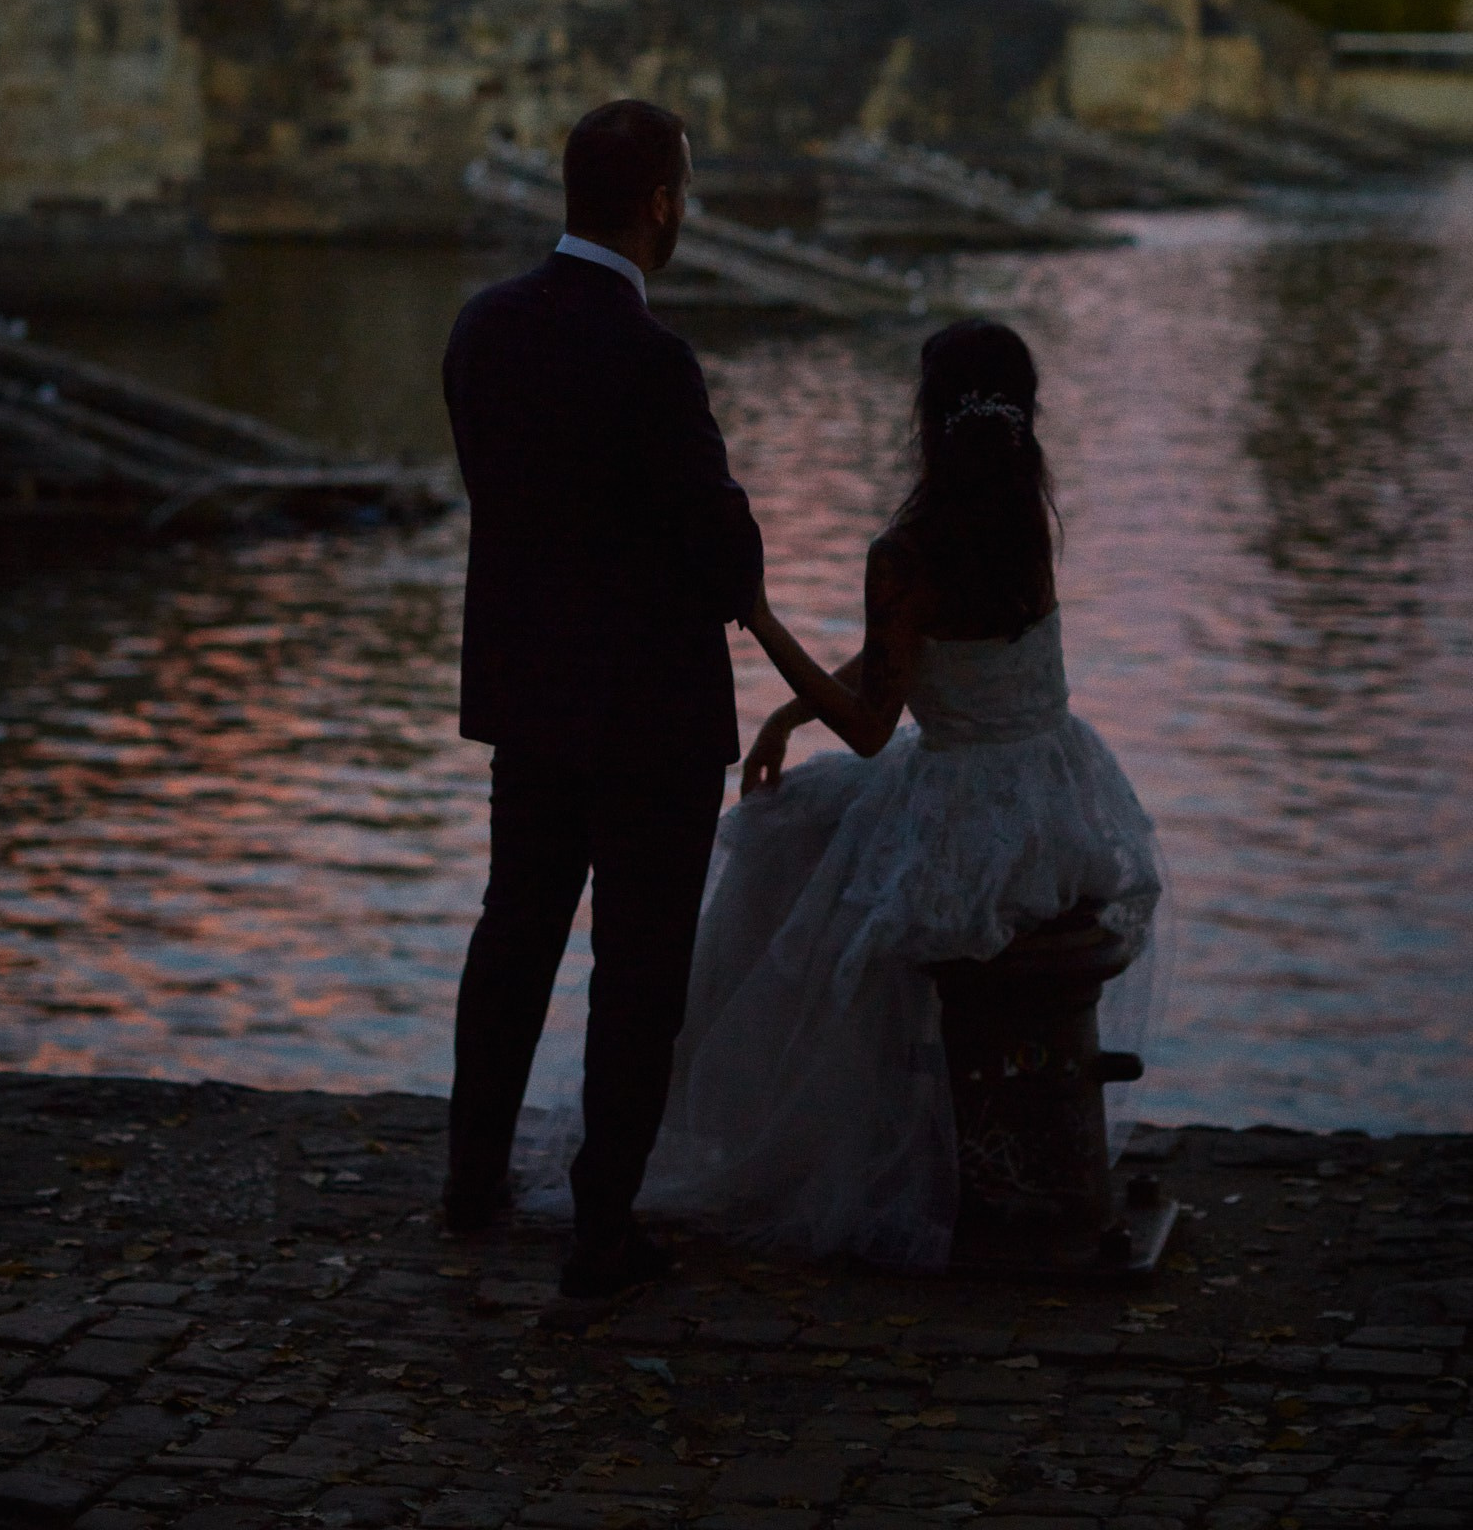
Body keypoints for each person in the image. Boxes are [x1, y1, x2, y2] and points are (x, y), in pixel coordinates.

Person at [644, 316, 1162, 1271]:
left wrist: (757, 618)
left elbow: (874, 724)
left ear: (926, 422)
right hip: (1059, 797)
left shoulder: (907, 551)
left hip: (967, 817)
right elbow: (918, 659)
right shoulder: (1022, 520)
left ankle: (795, 1130)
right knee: (810, 828)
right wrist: (791, 716)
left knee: (776, 851)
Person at [442, 101, 764, 1298]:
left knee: (512, 934)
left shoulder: (484, 328)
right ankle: (602, 1223)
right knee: (636, 971)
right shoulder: (651, 359)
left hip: (528, 698)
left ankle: (470, 1175)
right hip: (650, 719)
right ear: (663, 206)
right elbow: (727, 560)